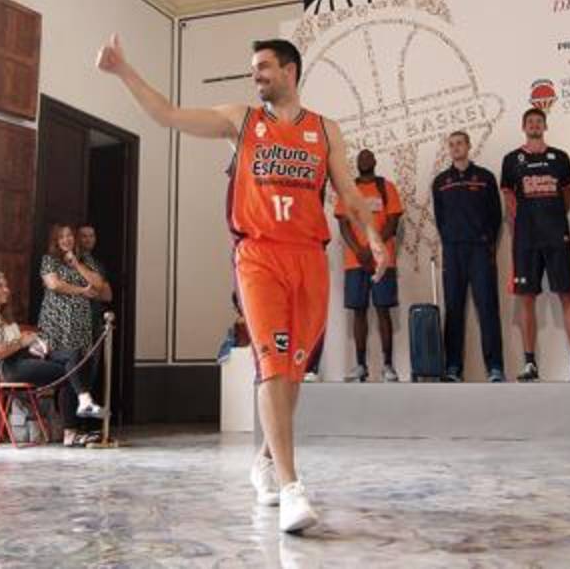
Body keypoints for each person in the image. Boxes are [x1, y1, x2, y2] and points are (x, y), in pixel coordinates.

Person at [97, 34, 386, 535]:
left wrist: (375, 240)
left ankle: (264, 460)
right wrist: (123, 70)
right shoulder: (241, 120)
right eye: (254, 67)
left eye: (265, 67)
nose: (257, 75)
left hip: (309, 258)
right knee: (272, 364)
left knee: (294, 373)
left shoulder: (325, 130)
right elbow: (167, 114)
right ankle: (293, 487)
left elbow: (349, 194)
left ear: (290, 71)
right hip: (259, 255)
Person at [501, 109, 570, 383]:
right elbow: (508, 196)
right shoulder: (511, 160)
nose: (534, 125)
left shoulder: (560, 157)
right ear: (523, 125)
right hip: (526, 240)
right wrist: (528, 220)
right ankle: (530, 364)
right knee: (526, 299)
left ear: (545, 125)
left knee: (567, 296)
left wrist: (550, 219)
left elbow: (565, 196)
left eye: (538, 121)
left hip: (556, 237)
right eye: (530, 121)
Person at [0, 271, 101, 446]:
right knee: (71, 373)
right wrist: (21, 342)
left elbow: (20, 343)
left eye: (6, 285)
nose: (7, 290)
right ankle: (72, 429)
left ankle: (84, 400)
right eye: (1, 286)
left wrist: (36, 344)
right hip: (11, 367)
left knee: (74, 355)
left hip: (23, 357)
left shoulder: (6, 317)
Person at [432, 130, 504, 382]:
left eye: (459, 143)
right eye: (451, 145)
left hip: (480, 251)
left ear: (468, 146)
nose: (455, 148)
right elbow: (440, 219)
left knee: (487, 308)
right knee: (453, 310)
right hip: (453, 252)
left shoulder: (485, 177)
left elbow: (496, 215)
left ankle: (495, 367)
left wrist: (487, 241)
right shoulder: (441, 181)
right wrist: (450, 240)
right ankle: (453, 368)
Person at [334, 149, 402, 383]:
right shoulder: (348, 190)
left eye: (368, 157)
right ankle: (360, 365)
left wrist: (375, 248)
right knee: (358, 311)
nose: (365, 160)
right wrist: (359, 250)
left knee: (383, 310)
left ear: (374, 161)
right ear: (358, 163)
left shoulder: (387, 187)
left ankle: (388, 365)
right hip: (356, 261)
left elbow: (392, 223)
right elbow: (343, 225)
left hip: (383, 260)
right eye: (361, 157)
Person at [38, 223, 106, 430]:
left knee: (81, 371)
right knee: (69, 370)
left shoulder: (85, 260)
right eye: (62, 237)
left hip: (81, 324)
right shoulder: (49, 260)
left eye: (69, 236)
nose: (66, 240)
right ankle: (72, 425)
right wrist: (82, 291)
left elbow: (99, 285)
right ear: (56, 241)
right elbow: (54, 284)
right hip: (58, 323)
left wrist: (77, 265)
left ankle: (79, 426)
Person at [76, 224, 113, 340]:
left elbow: (107, 296)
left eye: (91, 236)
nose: (88, 240)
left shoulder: (98, 265)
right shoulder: (69, 262)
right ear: (76, 239)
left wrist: (83, 292)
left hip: (94, 323)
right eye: (84, 236)